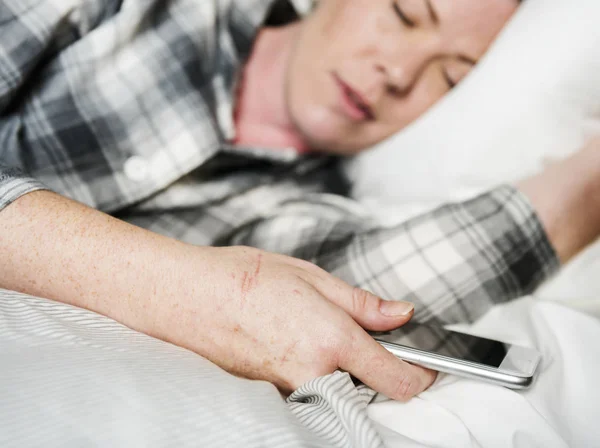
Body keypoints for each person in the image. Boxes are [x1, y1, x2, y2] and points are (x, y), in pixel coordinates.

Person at [0, 0, 598, 407]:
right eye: (404, 12)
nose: (399, 70)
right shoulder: (143, 13)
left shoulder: (307, 210)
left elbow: (393, 291)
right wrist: (178, 285)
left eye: (452, 77)